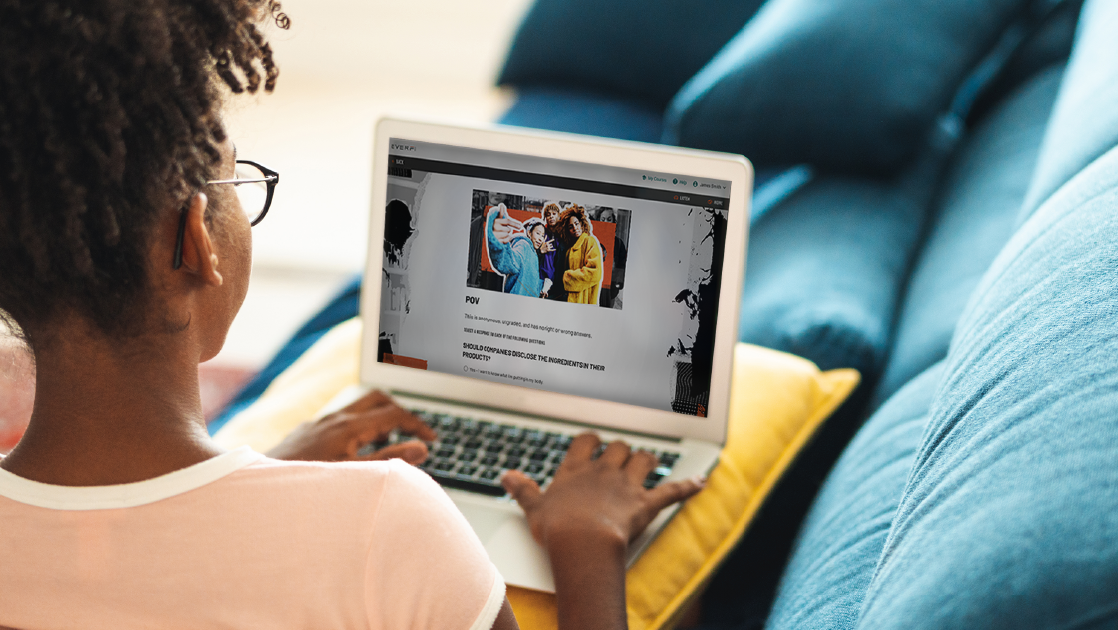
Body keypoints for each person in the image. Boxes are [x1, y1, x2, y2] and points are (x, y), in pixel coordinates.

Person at [0, 2, 702, 628]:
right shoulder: (382, 520)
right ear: (197, 241)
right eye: (236, 179)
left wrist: (265, 477)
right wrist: (586, 552)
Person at [485, 204, 542, 297]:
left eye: (543, 235)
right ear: (529, 233)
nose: (540, 238)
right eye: (538, 233)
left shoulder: (535, 253)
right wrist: (498, 244)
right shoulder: (523, 245)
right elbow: (509, 262)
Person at [560, 205, 606, 305]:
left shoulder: (589, 241)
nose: (575, 228)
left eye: (576, 224)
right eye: (570, 227)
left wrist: (569, 277)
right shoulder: (570, 249)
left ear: (581, 224)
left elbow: (595, 272)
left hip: (584, 301)